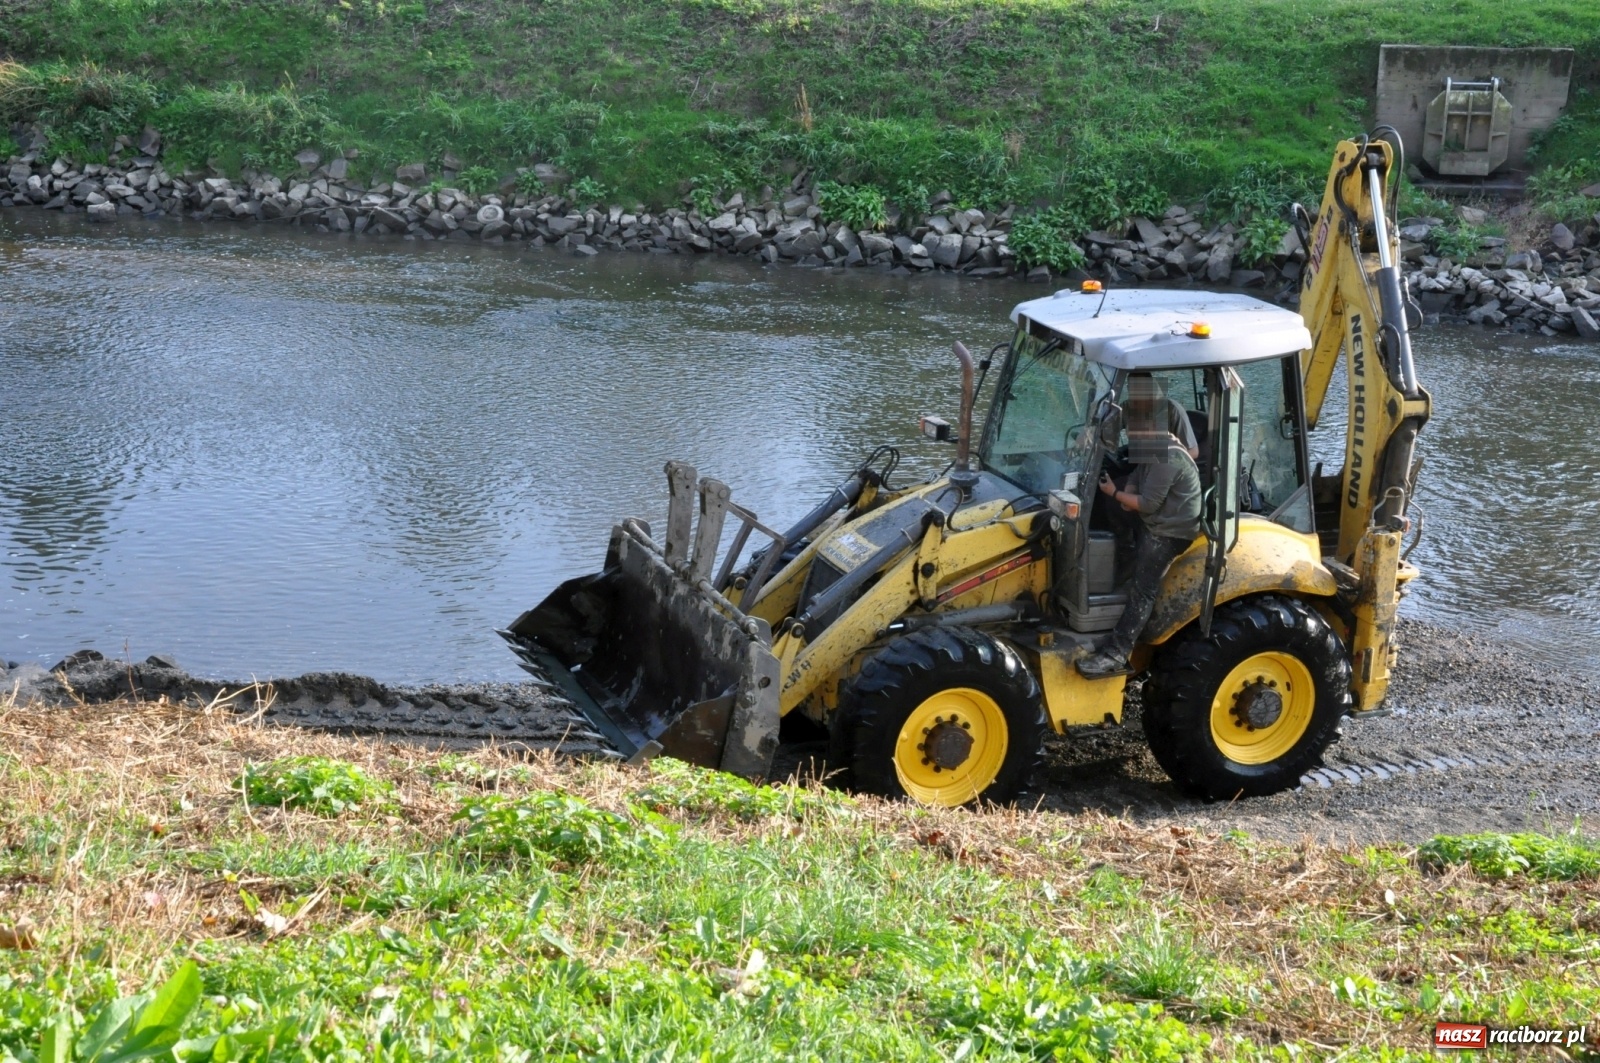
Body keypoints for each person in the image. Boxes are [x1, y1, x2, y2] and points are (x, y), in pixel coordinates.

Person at [1076, 390, 1204, 679]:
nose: (1131, 439)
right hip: (1156, 517)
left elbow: (1147, 503)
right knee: (1113, 507)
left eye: (1134, 433)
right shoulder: (1155, 445)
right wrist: (1126, 492)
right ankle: (1124, 558)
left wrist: (1118, 493)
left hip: (1169, 530)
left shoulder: (1168, 458)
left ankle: (1115, 652)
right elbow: (1137, 476)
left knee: (1142, 591)